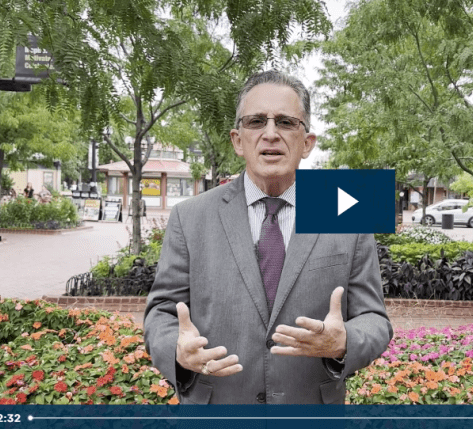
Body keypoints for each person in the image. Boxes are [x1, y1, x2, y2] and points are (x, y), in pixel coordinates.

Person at [143, 70, 393, 404]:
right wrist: (175, 348)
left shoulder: (346, 210)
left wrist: (345, 340)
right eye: (257, 121)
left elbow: (374, 319)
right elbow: (161, 311)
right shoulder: (190, 216)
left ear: (307, 143)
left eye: (287, 122)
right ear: (237, 140)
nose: (271, 134)